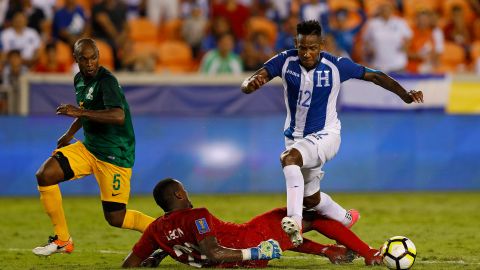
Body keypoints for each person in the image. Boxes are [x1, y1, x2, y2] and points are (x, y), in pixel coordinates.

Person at [240, 20, 424, 247]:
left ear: (321, 45)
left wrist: (405, 95)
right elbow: (253, 78)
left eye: (312, 48)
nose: (307, 53)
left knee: (289, 160)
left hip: (327, 134)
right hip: (295, 137)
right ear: (296, 44)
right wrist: (250, 84)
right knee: (311, 198)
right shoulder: (285, 60)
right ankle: (345, 217)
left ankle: (295, 222)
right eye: (302, 48)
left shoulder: (337, 66)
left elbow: (375, 75)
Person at [32, 38, 155, 256]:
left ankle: (164, 231)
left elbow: (118, 116)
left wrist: (80, 113)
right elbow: (87, 109)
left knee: (116, 218)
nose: (90, 63)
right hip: (89, 149)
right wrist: (70, 133)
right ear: (76, 59)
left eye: (94, 57)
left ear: (99, 55)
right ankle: (62, 240)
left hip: (115, 155)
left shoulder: (107, 81)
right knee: (45, 174)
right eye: (84, 59)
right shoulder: (79, 79)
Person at [122, 178, 383, 268]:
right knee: (307, 216)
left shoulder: (156, 230)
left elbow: (129, 264)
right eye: (184, 190)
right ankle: (369, 253)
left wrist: (159, 254)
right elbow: (213, 251)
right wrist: (256, 251)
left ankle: (329, 251)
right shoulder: (196, 214)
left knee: (285, 231)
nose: (187, 194)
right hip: (248, 243)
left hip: (236, 263)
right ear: (179, 195)